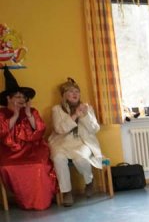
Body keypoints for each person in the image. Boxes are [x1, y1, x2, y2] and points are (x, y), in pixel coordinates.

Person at [0, 67, 56, 210]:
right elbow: (2, 132)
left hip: (33, 148)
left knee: (38, 166)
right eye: (17, 97)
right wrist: (15, 116)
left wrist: (28, 114)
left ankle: (41, 201)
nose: (21, 99)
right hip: (9, 151)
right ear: (8, 98)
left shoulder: (32, 111)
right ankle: (24, 200)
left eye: (23, 97)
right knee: (7, 167)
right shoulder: (2, 113)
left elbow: (40, 130)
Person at [48, 78, 104, 207]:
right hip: (61, 142)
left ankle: (89, 182)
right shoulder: (57, 109)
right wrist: (75, 115)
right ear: (64, 95)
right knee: (58, 158)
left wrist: (84, 115)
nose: (75, 94)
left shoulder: (87, 108)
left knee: (81, 159)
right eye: (71, 91)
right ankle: (67, 192)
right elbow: (59, 129)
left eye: (77, 91)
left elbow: (94, 129)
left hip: (81, 142)